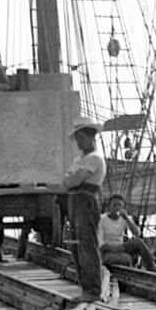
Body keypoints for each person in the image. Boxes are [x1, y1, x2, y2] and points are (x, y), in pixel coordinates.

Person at [62, 121, 108, 300]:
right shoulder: (79, 159)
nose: (78, 142)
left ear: (91, 137)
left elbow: (73, 180)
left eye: (81, 138)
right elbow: (66, 181)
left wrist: (71, 180)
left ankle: (93, 290)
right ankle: (85, 289)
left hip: (86, 201)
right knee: (75, 246)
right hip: (74, 201)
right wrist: (71, 180)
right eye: (77, 139)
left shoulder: (94, 158)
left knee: (87, 245)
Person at [98, 195, 156, 275]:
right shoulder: (102, 219)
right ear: (109, 206)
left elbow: (137, 233)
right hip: (107, 251)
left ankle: (152, 266)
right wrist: (114, 249)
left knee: (138, 242)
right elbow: (100, 243)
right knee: (127, 258)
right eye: (114, 205)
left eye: (120, 205)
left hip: (121, 247)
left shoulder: (124, 218)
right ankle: (129, 276)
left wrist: (126, 218)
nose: (117, 207)